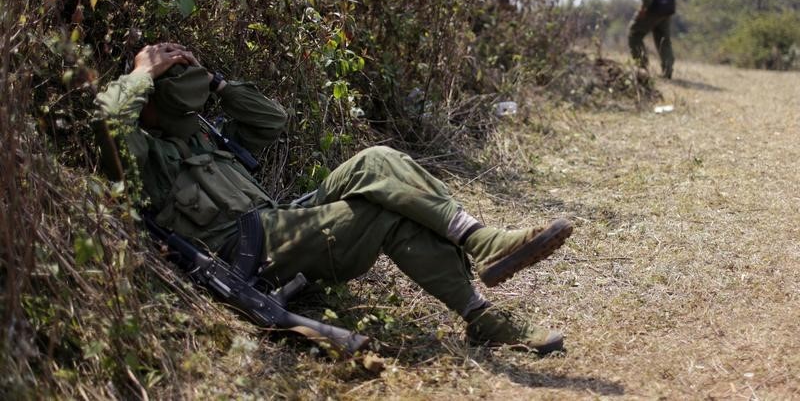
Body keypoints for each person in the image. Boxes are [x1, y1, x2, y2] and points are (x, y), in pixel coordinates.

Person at [95, 42, 574, 354]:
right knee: (381, 215)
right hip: (249, 249)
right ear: (149, 99)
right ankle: (483, 316)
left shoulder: (204, 138)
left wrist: (215, 81)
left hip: (279, 221)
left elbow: (270, 119)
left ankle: (479, 239)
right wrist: (141, 71)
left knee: (377, 160)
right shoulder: (146, 156)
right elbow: (111, 123)